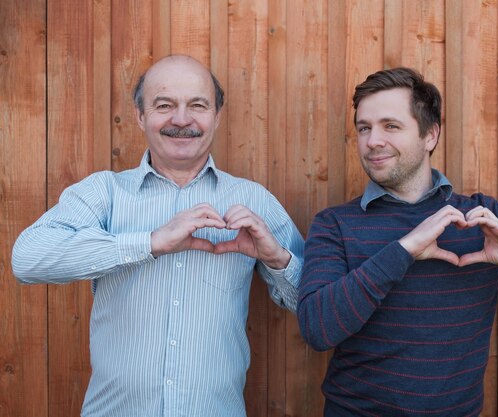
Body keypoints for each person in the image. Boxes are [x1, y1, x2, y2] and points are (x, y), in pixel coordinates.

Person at [297, 67, 498, 416]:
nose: (373, 141)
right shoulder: (335, 223)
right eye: (364, 128)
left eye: (391, 126)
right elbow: (317, 328)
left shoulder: (482, 217)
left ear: (430, 135)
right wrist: (403, 250)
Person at [12, 55, 304, 417]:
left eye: (197, 105)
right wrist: (150, 243)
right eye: (164, 105)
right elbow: (27, 259)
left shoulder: (253, 200)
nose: (181, 119)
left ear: (216, 116)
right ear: (140, 116)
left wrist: (277, 259)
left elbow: (310, 304)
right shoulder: (105, 193)